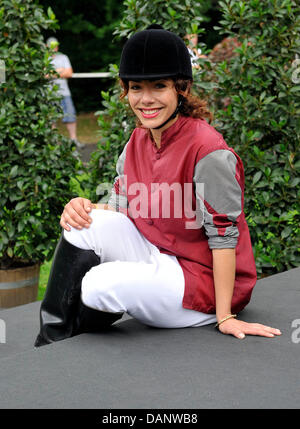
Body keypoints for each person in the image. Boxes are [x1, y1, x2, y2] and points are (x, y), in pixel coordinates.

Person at [35, 25, 281, 347]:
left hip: (201, 279)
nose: (146, 99)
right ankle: (49, 344)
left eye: (159, 86)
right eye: (136, 87)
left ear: (181, 88)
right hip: (158, 254)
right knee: (82, 225)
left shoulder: (209, 151)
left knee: (97, 284)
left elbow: (224, 237)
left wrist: (225, 316)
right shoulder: (137, 140)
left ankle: (70, 343)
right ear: (126, 91)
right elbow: (120, 210)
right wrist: (82, 207)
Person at [46, 37, 84, 149]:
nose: (55, 47)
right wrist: (60, 70)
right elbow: (43, 75)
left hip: (64, 93)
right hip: (49, 94)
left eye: (56, 45)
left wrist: (52, 72)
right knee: (50, 119)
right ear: (47, 46)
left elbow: (69, 73)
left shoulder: (63, 57)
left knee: (71, 115)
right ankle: (54, 143)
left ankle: (73, 140)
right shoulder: (43, 58)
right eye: (52, 45)